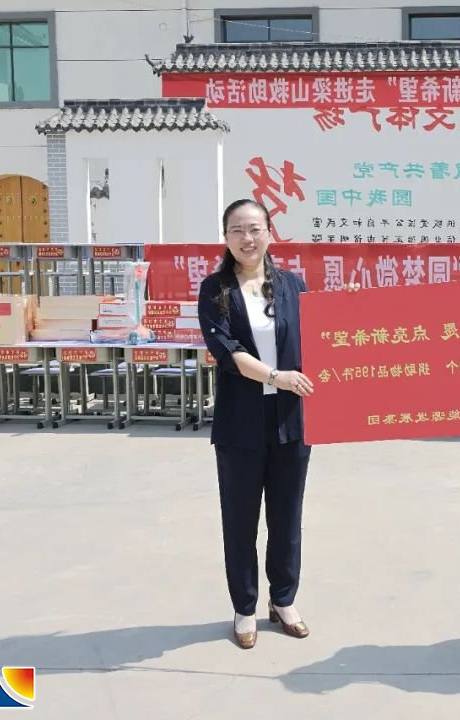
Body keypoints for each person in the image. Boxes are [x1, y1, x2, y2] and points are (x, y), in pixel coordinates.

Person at [197, 199, 324, 650]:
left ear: (270, 232)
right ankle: (245, 608)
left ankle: (283, 600)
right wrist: (275, 377)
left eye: (254, 228)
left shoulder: (292, 285)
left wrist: (348, 305)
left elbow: (321, 334)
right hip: (240, 424)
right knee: (240, 520)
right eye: (237, 230)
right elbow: (228, 352)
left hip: (291, 420)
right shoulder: (215, 290)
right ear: (226, 237)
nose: (247, 238)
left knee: (287, 517)